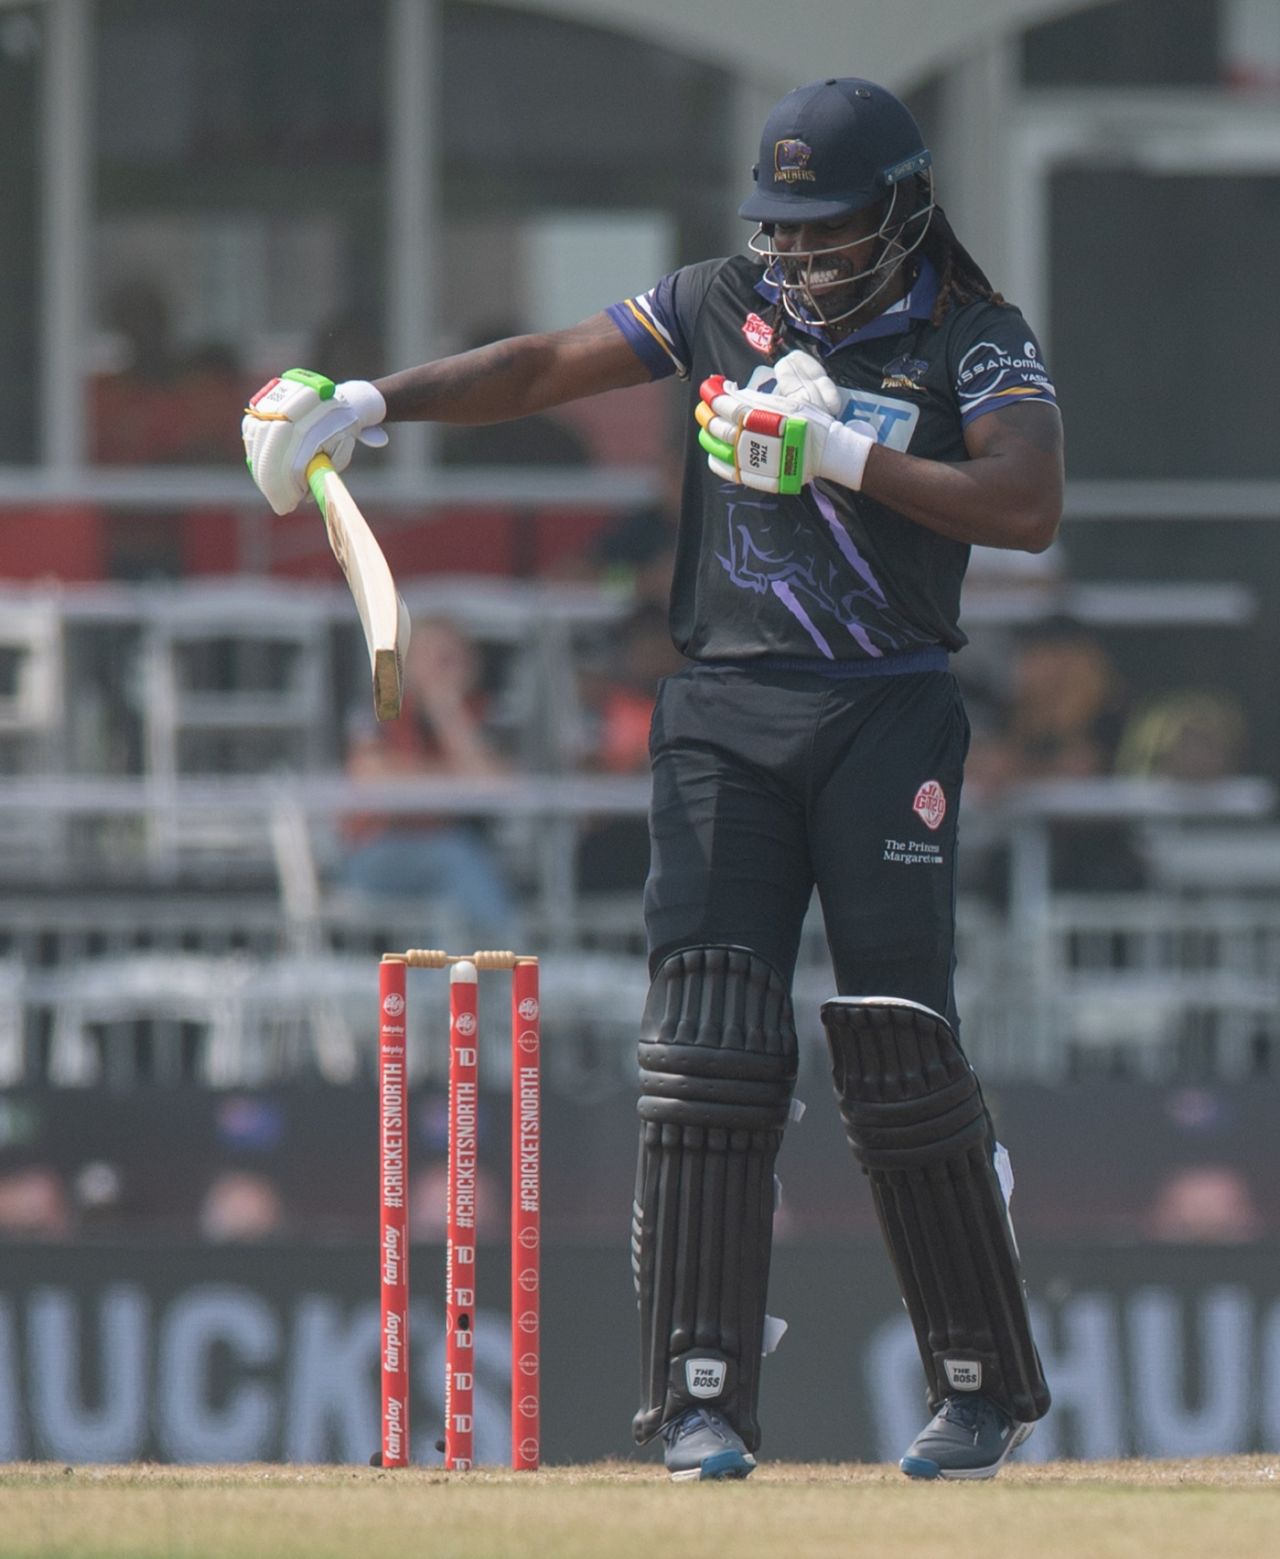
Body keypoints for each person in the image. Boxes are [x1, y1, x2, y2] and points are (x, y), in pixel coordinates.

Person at [242, 77, 1062, 1482]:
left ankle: (976, 1386)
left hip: (886, 712)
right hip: (726, 712)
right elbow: (550, 360)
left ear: (903, 207)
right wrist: (373, 399)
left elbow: (1029, 504)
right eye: (784, 227)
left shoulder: (972, 338)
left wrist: (844, 452)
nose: (801, 256)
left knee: (896, 1049)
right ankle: (698, 1396)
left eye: (830, 227)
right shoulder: (722, 300)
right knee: (707, 1048)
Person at [335, 614, 518, 944]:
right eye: (431, 658)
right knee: (457, 859)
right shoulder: (381, 707)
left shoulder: (480, 714)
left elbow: (494, 787)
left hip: (457, 852)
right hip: (375, 852)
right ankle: (510, 961)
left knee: (457, 885)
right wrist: (456, 776)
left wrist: (446, 710)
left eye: (451, 660)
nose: (441, 670)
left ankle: (455, 984)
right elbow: (372, 778)